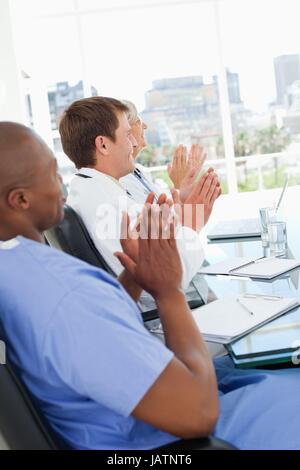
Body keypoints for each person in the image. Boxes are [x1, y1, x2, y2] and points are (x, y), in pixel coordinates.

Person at [1, 123, 300, 450]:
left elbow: (93, 329)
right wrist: (168, 291)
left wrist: (135, 277)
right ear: (20, 199)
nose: (62, 184)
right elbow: (198, 414)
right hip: (163, 440)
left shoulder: (19, 269)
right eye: (52, 173)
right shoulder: (63, 292)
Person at [60, 97, 220, 293]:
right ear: (103, 145)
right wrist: (193, 225)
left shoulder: (95, 190)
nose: (134, 142)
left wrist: (181, 216)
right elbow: (170, 279)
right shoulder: (106, 207)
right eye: (128, 135)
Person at [119, 100, 208, 204]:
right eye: (138, 121)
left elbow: (164, 209)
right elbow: (167, 218)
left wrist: (185, 184)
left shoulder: (138, 171)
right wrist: (181, 186)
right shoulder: (123, 182)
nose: (145, 126)